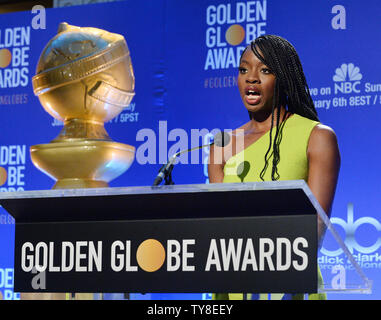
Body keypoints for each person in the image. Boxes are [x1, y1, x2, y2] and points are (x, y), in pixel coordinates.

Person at [208, 35, 341, 300]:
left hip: (289, 286)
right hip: (231, 287)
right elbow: (215, 226)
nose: (251, 78)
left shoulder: (317, 137)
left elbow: (315, 227)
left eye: (265, 70)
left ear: (283, 77)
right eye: (244, 69)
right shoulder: (222, 145)